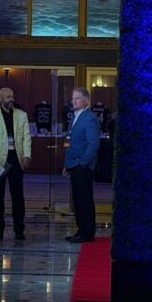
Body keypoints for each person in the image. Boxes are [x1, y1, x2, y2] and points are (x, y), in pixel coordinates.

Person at [0, 87, 31, 241]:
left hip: (16, 159)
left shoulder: (21, 115)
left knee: (18, 196)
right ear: (0, 98)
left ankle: (19, 229)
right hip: (0, 161)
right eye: (8, 97)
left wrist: (27, 155)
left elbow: (26, 137)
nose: (11, 99)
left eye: (12, 96)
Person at [62, 87, 101, 243]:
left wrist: (82, 164)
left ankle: (87, 233)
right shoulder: (76, 116)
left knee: (84, 200)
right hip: (73, 164)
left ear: (86, 100)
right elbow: (71, 141)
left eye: (76, 98)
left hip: (82, 166)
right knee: (78, 200)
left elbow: (93, 145)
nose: (73, 101)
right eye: (72, 98)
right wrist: (67, 164)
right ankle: (81, 230)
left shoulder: (90, 118)